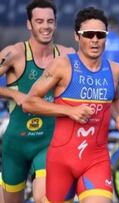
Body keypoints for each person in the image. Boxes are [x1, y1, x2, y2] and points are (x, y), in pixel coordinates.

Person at [22, 7, 119, 203]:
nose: (95, 40)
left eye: (100, 34)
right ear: (77, 37)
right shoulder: (62, 65)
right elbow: (29, 103)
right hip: (61, 161)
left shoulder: (114, 69)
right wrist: (69, 111)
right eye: (89, 34)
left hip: (97, 160)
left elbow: (115, 99)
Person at [0, 0, 74, 202]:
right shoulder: (14, 53)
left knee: (47, 198)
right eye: (39, 21)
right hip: (16, 143)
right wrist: (14, 94)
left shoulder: (67, 55)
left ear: (56, 24)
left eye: (50, 21)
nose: (46, 26)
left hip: (49, 142)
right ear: (29, 24)